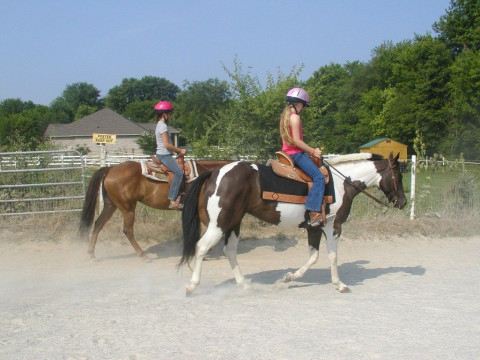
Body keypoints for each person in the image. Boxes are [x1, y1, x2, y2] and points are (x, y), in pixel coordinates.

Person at [279, 88, 325, 226]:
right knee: (319, 177)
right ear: (299, 104)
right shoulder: (295, 118)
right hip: (296, 154)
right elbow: (297, 141)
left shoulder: (284, 118)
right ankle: (314, 213)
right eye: (303, 105)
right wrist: (313, 151)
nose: (303, 108)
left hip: (286, 153)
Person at [154, 101, 187, 210]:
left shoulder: (159, 125)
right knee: (178, 172)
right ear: (164, 114)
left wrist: (176, 151)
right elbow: (167, 145)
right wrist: (180, 150)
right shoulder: (163, 126)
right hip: (164, 155)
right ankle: (172, 200)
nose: (170, 115)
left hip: (163, 154)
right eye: (169, 113)